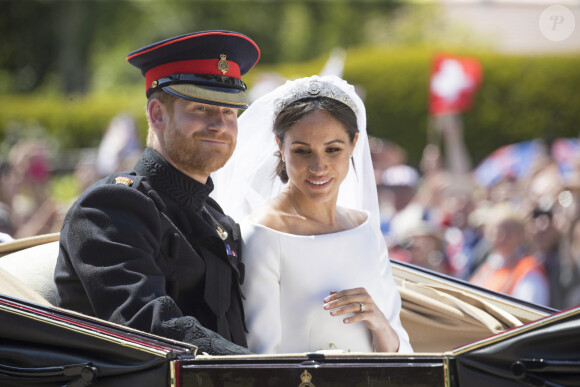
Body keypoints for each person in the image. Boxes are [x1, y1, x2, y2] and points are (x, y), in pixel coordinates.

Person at [54, 31, 260, 355]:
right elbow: (150, 328)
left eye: (230, 112)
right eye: (203, 108)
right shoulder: (110, 209)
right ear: (157, 114)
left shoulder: (218, 219)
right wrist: (266, 369)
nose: (220, 124)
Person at [212, 75, 412, 354]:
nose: (319, 166)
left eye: (333, 149)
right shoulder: (263, 234)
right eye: (303, 151)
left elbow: (401, 350)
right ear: (280, 148)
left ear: (354, 143)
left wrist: (378, 322)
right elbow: (260, 357)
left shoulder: (366, 230)